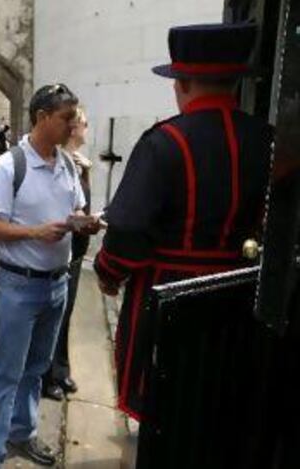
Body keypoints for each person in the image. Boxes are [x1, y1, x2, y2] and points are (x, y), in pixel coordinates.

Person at [94, 22, 273, 422]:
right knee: (222, 402)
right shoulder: (267, 139)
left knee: (168, 404)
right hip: (241, 292)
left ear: (185, 83)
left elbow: (128, 230)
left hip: (169, 295)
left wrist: (108, 272)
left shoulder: (164, 142)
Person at [0, 84, 100, 468]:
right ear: (42, 117)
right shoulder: (9, 165)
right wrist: (35, 232)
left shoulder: (66, 163)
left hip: (56, 284)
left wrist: (84, 223)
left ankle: (22, 434)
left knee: (36, 368)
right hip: (19, 285)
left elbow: (73, 208)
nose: (73, 125)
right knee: (6, 371)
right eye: (66, 118)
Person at [42, 105, 92, 400]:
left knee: (66, 315)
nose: (86, 128)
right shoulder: (63, 163)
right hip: (62, 248)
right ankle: (48, 376)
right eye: (83, 123)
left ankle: (60, 369)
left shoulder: (79, 163)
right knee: (55, 319)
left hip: (75, 247)